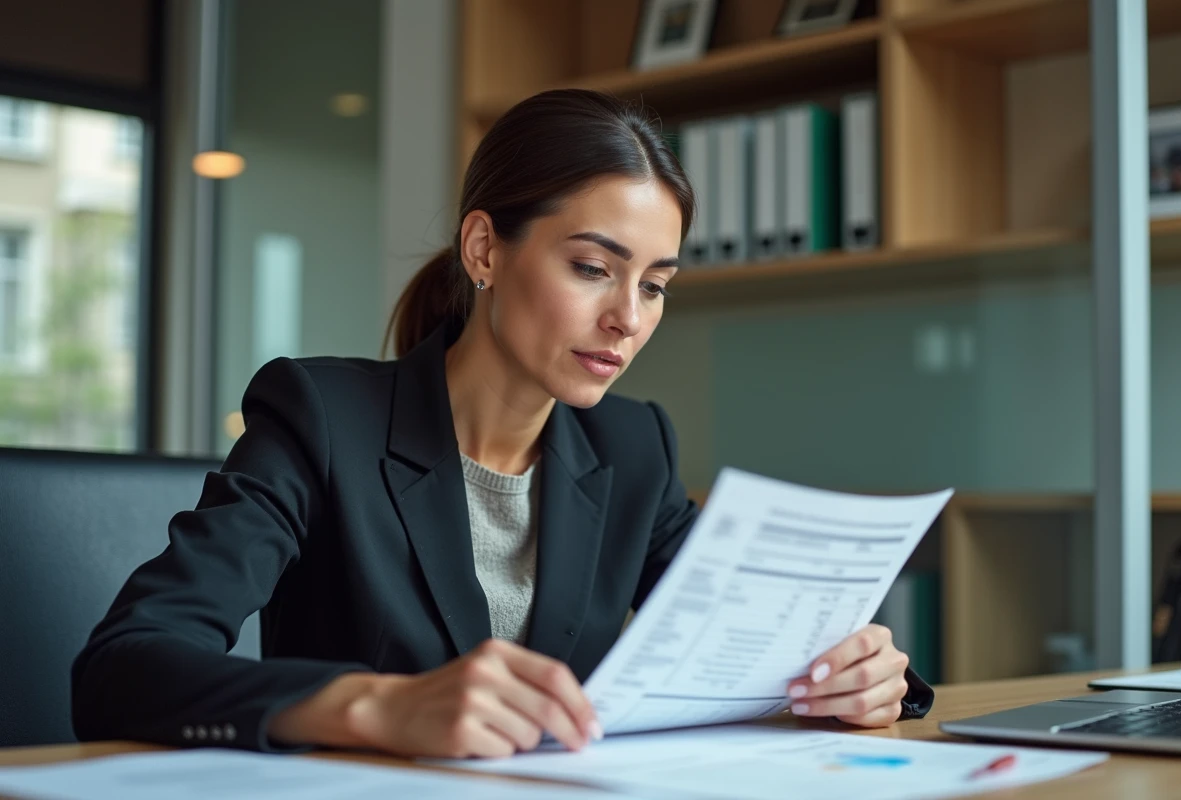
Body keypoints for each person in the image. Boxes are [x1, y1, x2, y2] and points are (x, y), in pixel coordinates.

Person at [72, 89, 932, 760]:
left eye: (657, 284)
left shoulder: (631, 449)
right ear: (484, 250)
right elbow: (123, 667)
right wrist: (377, 705)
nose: (627, 318)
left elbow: (753, 643)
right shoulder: (321, 418)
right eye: (594, 268)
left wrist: (855, 677)